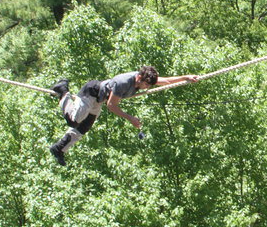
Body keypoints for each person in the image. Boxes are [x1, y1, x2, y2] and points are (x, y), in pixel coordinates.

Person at [48, 66, 200, 165]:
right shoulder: (123, 83)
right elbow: (111, 105)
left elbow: (165, 81)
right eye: (146, 84)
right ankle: (63, 90)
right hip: (91, 93)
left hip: (98, 100)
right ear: (139, 78)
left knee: (83, 128)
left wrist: (186, 77)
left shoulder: (143, 79)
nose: (147, 88)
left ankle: (59, 148)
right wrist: (131, 119)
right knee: (73, 120)